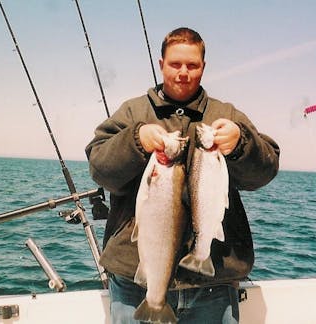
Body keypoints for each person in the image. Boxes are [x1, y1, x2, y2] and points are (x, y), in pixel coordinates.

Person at [86, 27, 280, 323]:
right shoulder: (132, 111)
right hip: (135, 280)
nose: (183, 73)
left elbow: (264, 171)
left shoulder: (225, 114)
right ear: (161, 63)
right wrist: (136, 140)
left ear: (203, 67)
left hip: (212, 284)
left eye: (192, 65)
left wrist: (241, 142)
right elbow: (100, 169)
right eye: (175, 64)